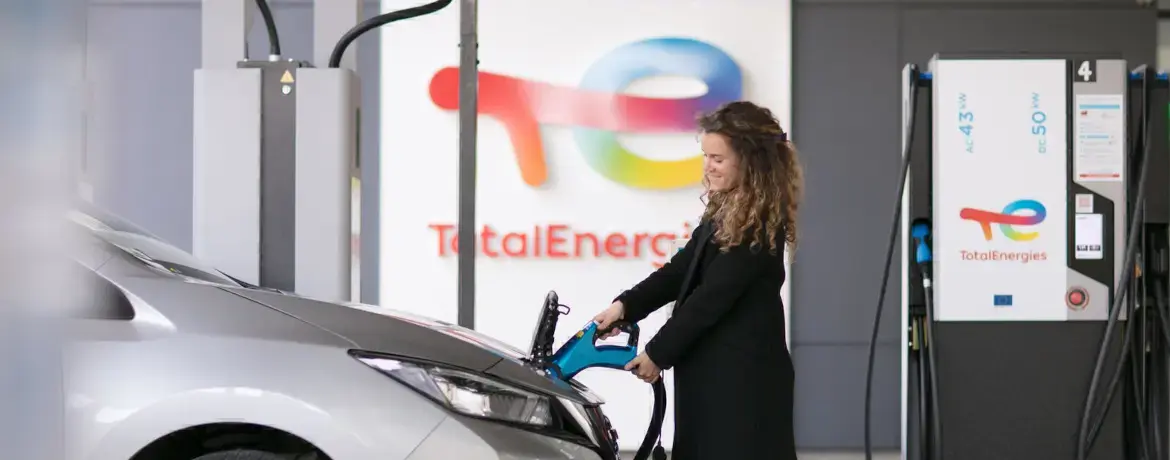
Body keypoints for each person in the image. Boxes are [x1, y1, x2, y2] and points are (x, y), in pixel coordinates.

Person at [593, 101, 802, 460]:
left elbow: (713, 296)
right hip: (714, 379)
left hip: (742, 386)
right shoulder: (727, 208)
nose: (708, 166)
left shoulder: (758, 221)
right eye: (706, 156)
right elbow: (681, 270)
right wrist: (625, 306)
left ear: (750, 161)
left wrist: (658, 352)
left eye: (717, 158)